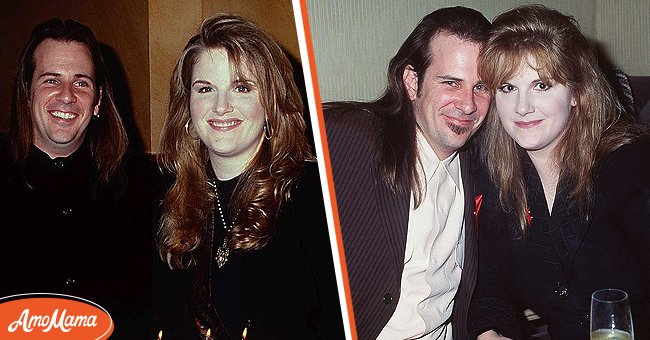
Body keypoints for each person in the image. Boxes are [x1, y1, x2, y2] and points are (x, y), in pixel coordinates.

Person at [153, 14, 345, 339]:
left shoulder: (315, 195)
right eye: (205, 88)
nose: (221, 106)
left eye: (241, 87)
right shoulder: (168, 199)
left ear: (271, 104)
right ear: (188, 108)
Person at [469, 5, 650, 339]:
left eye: (542, 85)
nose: (522, 107)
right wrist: (491, 331)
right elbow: (492, 285)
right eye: (508, 88)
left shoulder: (631, 167)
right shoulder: (497, 177)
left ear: (577, 94)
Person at [324, 6, 491, 340]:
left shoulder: (485, 167)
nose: (468, 104)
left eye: (481, 87)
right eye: (451, 83)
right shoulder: (347, 138)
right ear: (412, 81)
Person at [0, 18, 156, 337]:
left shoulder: (144, 186)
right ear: (27, 92)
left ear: (97, 102)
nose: (67, 96)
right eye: (51, 80)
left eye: (81, 82)